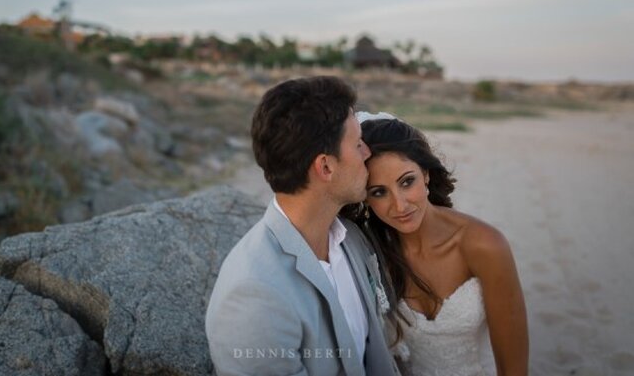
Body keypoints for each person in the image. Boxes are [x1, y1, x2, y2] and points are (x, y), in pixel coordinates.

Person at [205, 77, 402, 376]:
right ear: (325, 167)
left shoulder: (352, 240)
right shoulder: (253, 295)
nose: (367, 153)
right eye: (358, 144)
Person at [345, 112, 529, 376]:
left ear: (426, 174)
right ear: (365, 198)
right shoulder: (371, 251)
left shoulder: (485, 245)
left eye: (407, 182)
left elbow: (514, 370)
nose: (400, 205)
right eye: (379, 192)